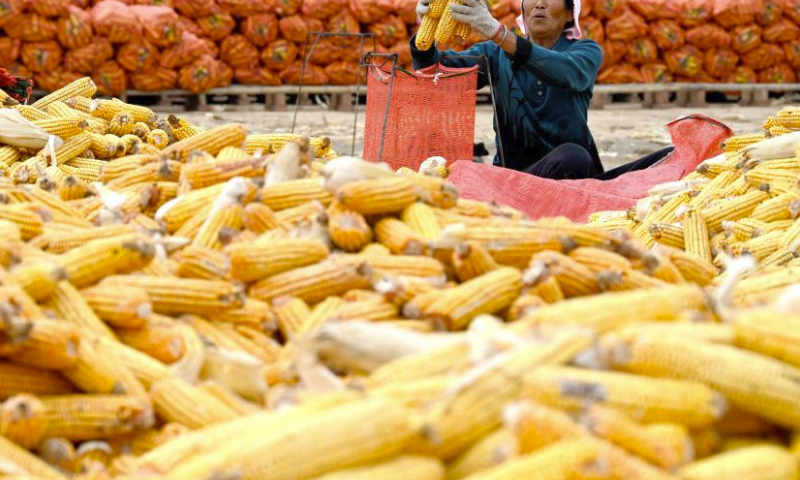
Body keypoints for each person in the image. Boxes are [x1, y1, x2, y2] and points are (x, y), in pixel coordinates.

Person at [410, 0, 673, 180]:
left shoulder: (585, 51)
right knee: (573, 157)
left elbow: (566, 71)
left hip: (577, 178)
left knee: (670, 155)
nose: (540, 3)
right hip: (514, 179)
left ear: (570, 13)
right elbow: (438, 76)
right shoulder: (492, 53)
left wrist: (499, 33)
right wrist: (426, 34)